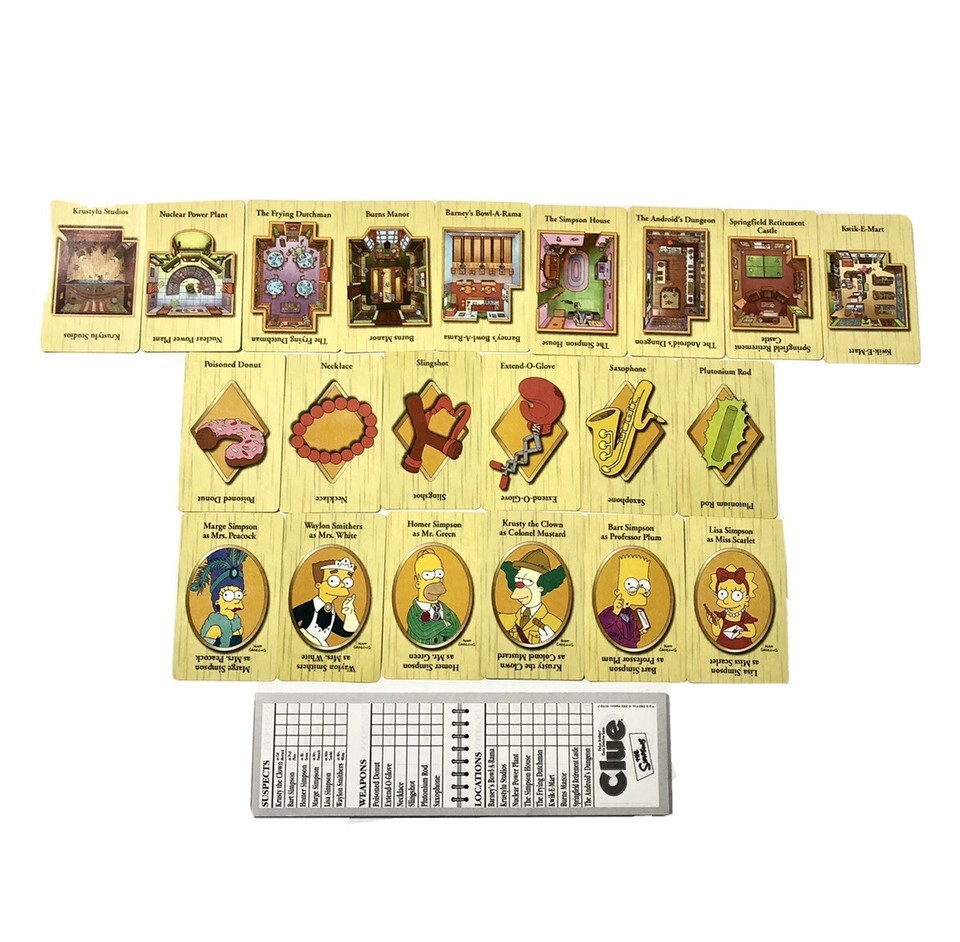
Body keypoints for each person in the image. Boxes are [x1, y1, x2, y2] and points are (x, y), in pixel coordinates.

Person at [497, 547, 567, 646]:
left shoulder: (555, 625)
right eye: (518, 579)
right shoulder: (503, 619)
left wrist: (553, 643)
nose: (520, 585)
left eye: (528, 581)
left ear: (542, 586)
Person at [292, 556, 360, 648]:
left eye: (346, 581)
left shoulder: (331, 611)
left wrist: (350, 613)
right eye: (333, 580)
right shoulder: (307, 608)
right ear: (318, 585)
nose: (342, 585)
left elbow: (345, 633)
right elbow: (290, 621)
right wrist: (306, 636)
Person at [190, 548, 248, 649]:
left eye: (238, 595)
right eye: (228, 595)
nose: (236, 600)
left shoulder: (236, 622)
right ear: (217, 600)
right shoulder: (215, 627)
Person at [405, 549, 462, 647]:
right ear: (417, 581)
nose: (436, 580)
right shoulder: (414, 612)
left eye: (439, 574)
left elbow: (456, 629)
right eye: (428, 575)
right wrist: (444, 623)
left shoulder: (446, 610)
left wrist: (432, 628)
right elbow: (422, 631)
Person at [598, 554, 652, 650]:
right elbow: (602, 628)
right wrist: (615, 611)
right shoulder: (609, 614)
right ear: (617, 592)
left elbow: (633, 637)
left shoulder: (630, 613)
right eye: (632, 588)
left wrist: (639, 632)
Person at [704, 565, 759, 651]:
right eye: (722, 594)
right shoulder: (722, 616)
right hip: (722, 646)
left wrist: (742, 633)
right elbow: (717, 632)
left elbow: (752, 632)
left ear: (746, 598)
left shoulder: (745, 617)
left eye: (737, 595)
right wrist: (713, 623)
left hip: (742, 646)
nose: (727, 600)